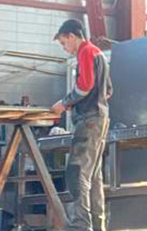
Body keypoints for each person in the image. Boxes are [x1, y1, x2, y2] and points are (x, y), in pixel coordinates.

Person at [51, 20, 113, 231]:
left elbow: (85, 85)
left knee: (77, 173)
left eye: (63, 42)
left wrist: (65, 103)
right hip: (100, 118)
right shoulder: (100, 54)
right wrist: (78, 101)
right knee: (93, 177)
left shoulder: (85, 51)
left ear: (72, 36)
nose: (64, 47)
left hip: (89, 120)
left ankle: (81, 225)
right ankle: (97, 225)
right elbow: (108, 91)